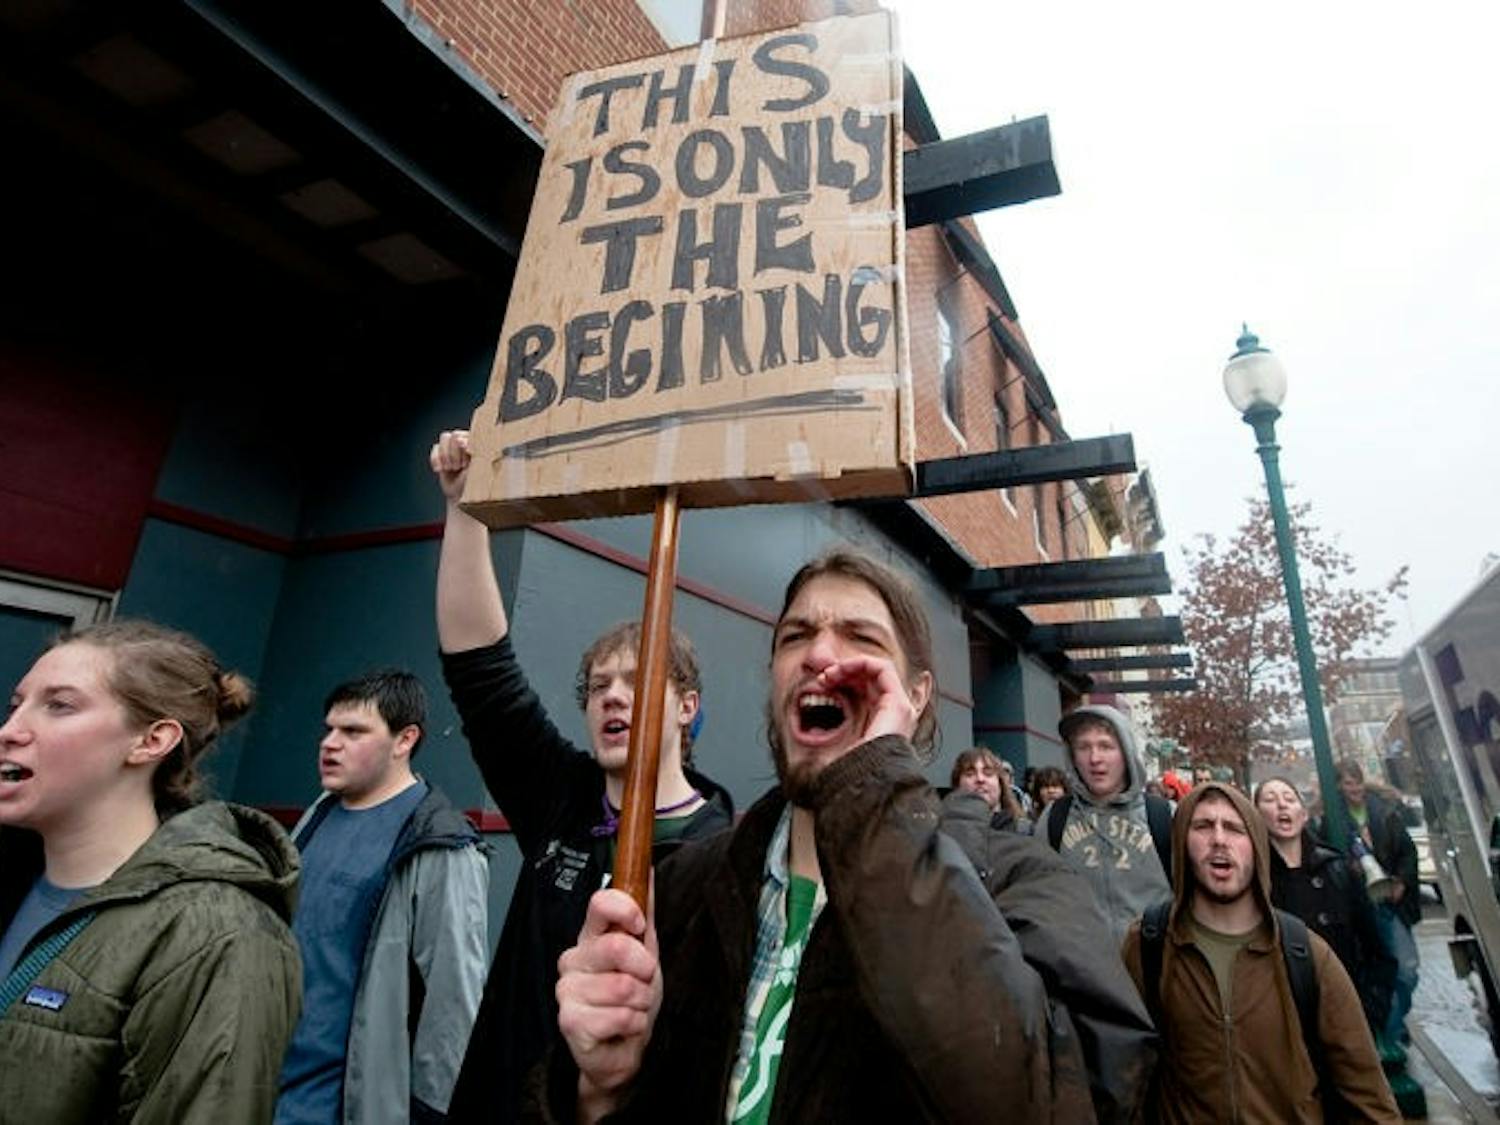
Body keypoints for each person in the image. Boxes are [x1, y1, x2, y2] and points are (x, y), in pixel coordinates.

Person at [546, 550, 1156, 1123]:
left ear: (916, 697)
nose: (820, 655)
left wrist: (873, 794)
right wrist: (601, 1091)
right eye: (796, 637)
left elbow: (1064, 1102)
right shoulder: (685, 886)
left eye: (861, 638)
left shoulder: (1022, 881)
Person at [429, 430, 734, 1124]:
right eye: (598, 685)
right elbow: (481, 670)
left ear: (688, 706)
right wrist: (466, 509)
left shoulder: (725, 856)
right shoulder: (558, 796)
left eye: (634, 680)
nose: (612, 696)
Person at [0, 620, 301, 1123]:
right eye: (16, 705)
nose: (10, 731)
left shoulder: (221, 935)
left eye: (60, 705)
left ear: (150, 741)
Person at [276, 671, 488, 1125]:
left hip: (349, 1104)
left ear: (404, 739)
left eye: (353, 731)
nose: (330, 743)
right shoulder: (318, 814)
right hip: (269, 1087)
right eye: (329, 729)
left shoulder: (441, 846)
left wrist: (431, 1113)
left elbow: (452, 1005)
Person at [1123, 782, 1399, 1123]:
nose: (1220, 839)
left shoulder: (1307, 956)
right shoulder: (1147, 945)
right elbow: (1124, 1079)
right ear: (1182, 843)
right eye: (1204, 826)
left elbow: (1366, 1093)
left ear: (1256, 847)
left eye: (1235, 829)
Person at [1255, 777, 1395, 1035]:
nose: (1282, 806)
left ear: (1304, 814)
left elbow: (1378, 950)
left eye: (1289, 798)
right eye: (1270, 800)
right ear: (1256, 815)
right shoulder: (1254, 882)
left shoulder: (1338, 870)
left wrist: (1370, 1013)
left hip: (1345, 1022)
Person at [1036, 704, 1173, 943]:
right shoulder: (1053, 818)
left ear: (1127, 753)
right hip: (1080, 971)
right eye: (1083, 747)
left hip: (1154, 968)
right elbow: (1038, 899)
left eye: (1106, 746)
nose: (1095, 759)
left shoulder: (1164, 816)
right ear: (1073, 756)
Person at [1336, 758, 1421, 1045]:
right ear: (1338, 786)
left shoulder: (1384, 811)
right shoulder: (1332, 819)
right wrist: (1351, 867)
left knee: (1407, 969)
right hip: (1362, 905)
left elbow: (1408, 852)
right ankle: (1391, 1035)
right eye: (1348, 783)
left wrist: (1402, 881)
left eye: (1357, 781)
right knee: (1380, 970)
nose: (1355, 788)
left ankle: (1393, 1020)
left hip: (1390, 901)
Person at [951, 746, 1027, 830]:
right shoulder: (942, 834)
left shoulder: (1025, 832)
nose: (980, 779)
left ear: (1000, 783)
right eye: (970, 774)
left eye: (988, 773)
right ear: (957, 784)